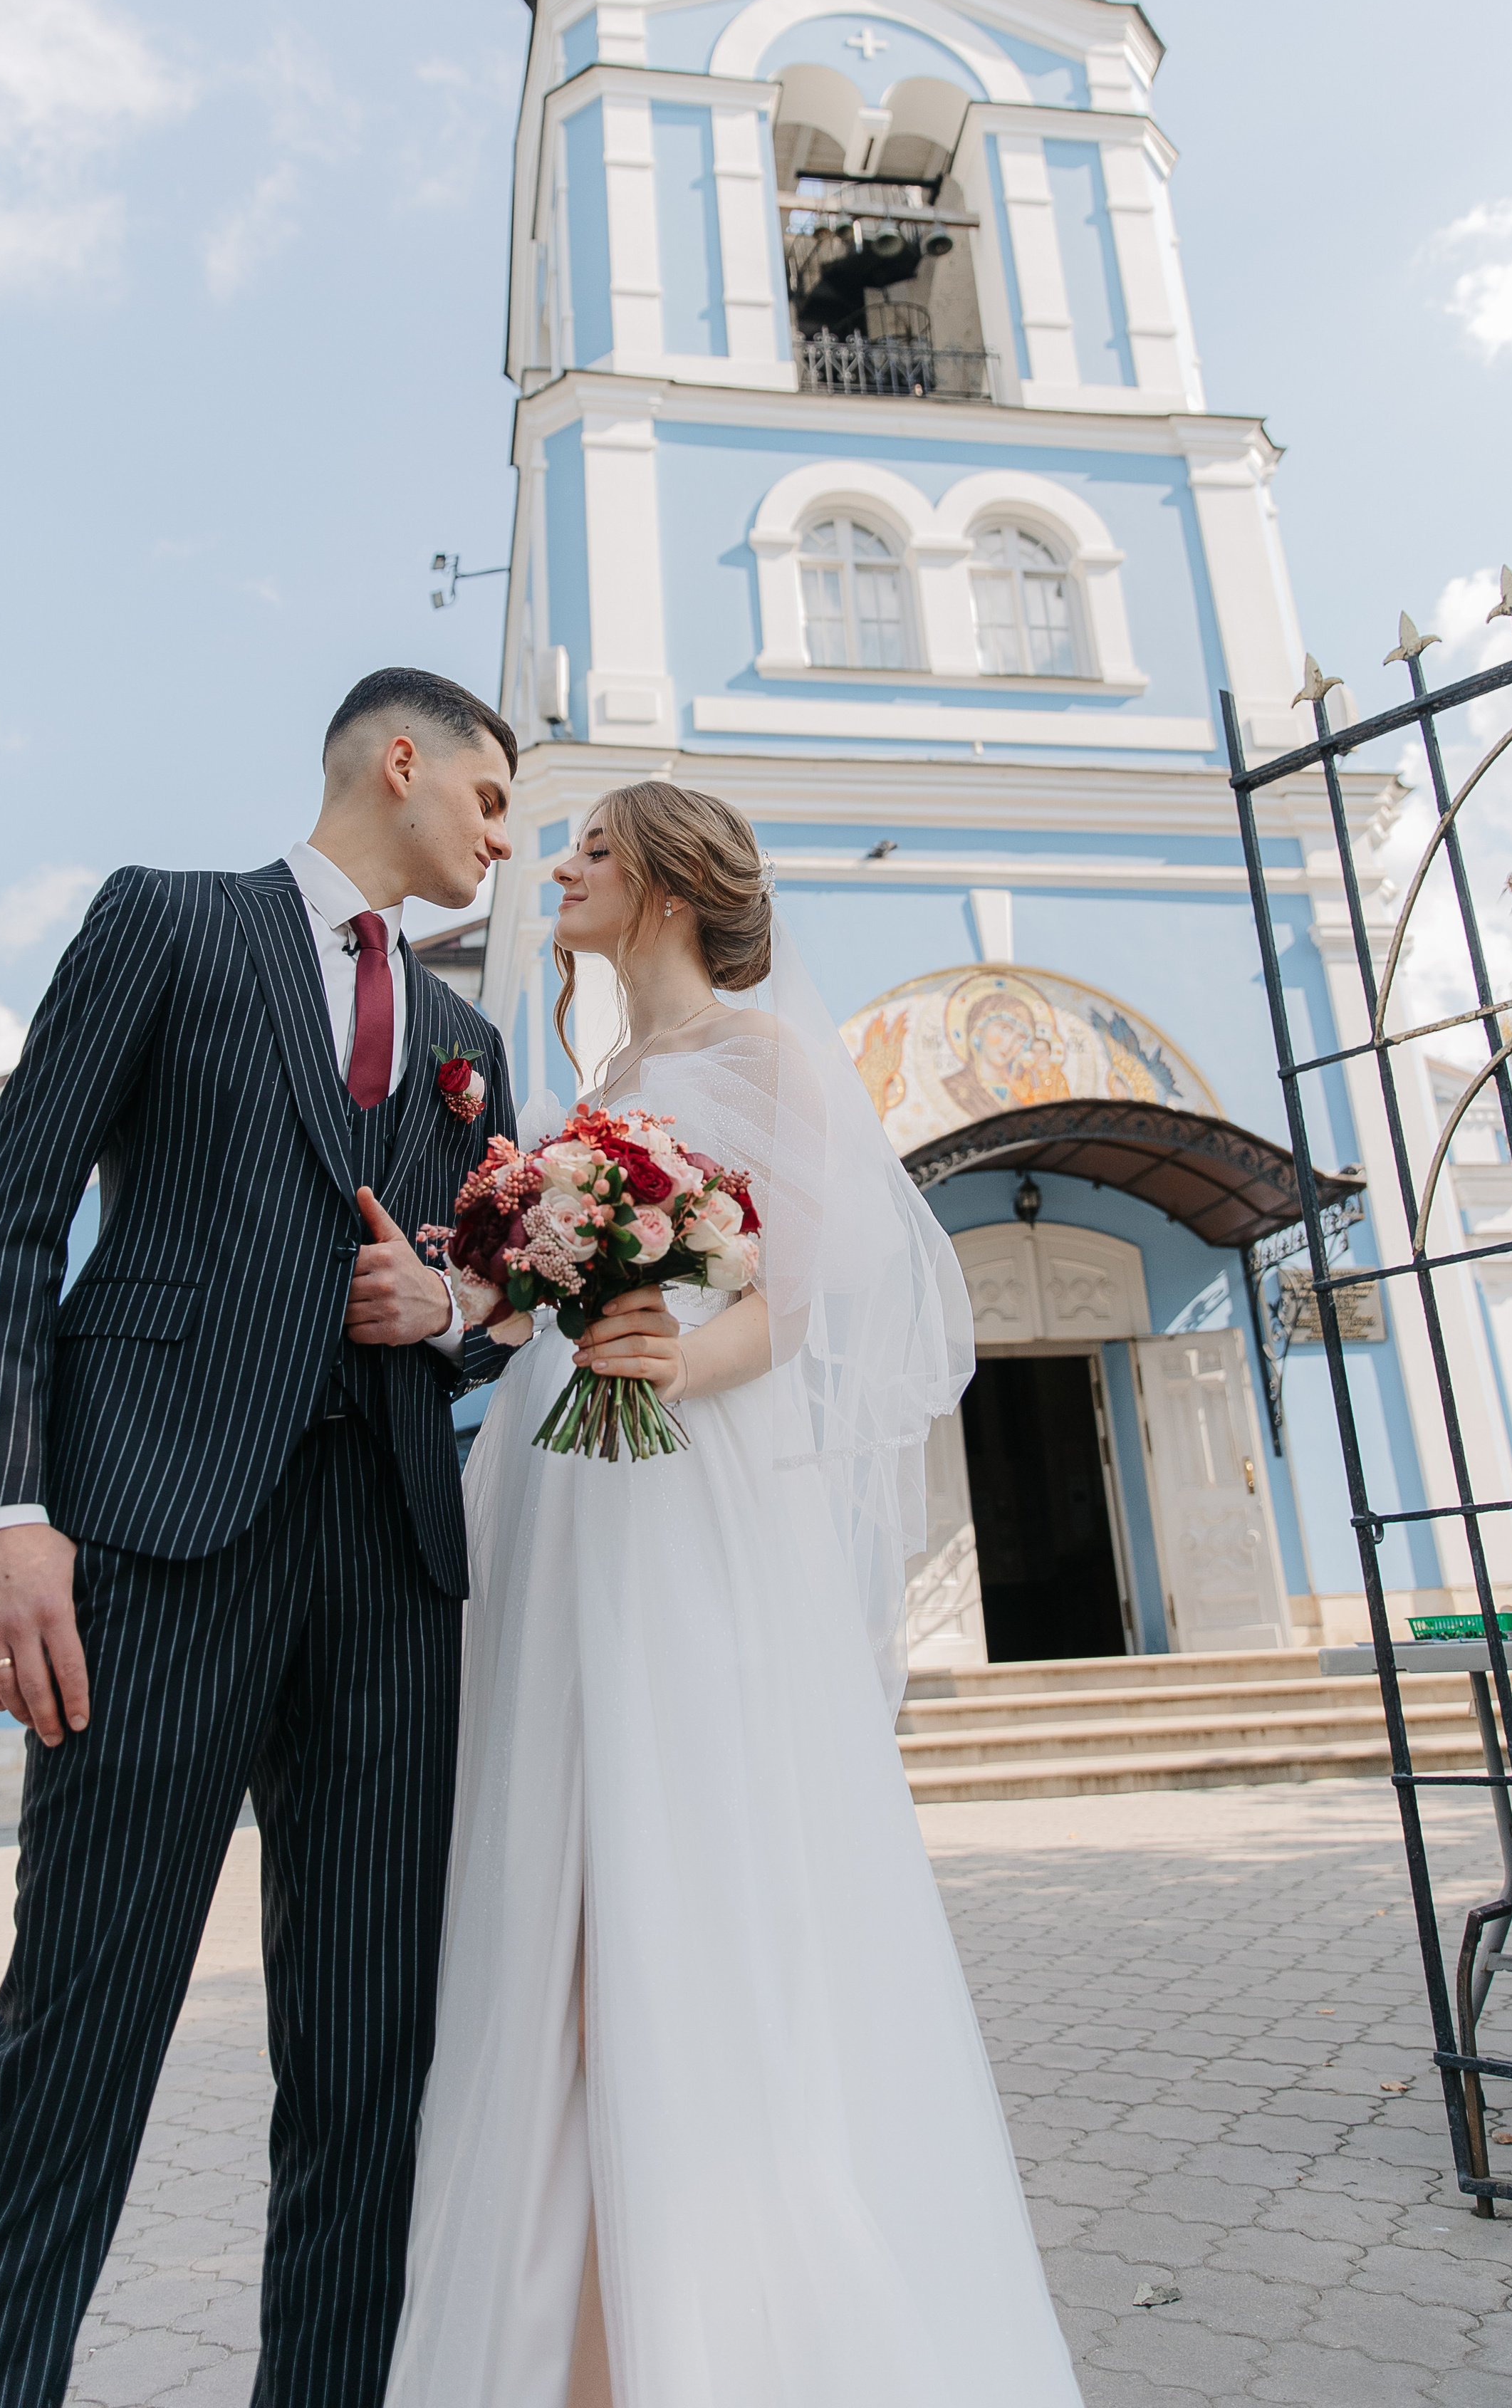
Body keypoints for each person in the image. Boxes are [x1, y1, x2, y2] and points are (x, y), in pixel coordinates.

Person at [0, 669, 667, 2408]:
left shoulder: (470, 1056)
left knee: (363, 2079)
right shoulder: (167, 925)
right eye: (488, 799)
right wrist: (6, 1510)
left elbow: (495, 1295)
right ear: (400, 760)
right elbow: (14, 1221)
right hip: (155, 1554)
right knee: (72, 2054)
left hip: (390, 1580)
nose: (500, 836)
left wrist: (450, 1309)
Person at [387, 778, 1085, 2408]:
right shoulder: (596, 1080)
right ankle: (563, 2322)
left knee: (676, 1844)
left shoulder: (766, 1061)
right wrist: (460, 1296)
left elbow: (813, 1301)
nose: (558, 864)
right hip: (558, 1492)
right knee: (546, 1852)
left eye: (593, 850)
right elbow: (511, 1314)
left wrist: (669, 1355)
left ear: (674, 890)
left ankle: (697, 2320)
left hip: (683, 1485)